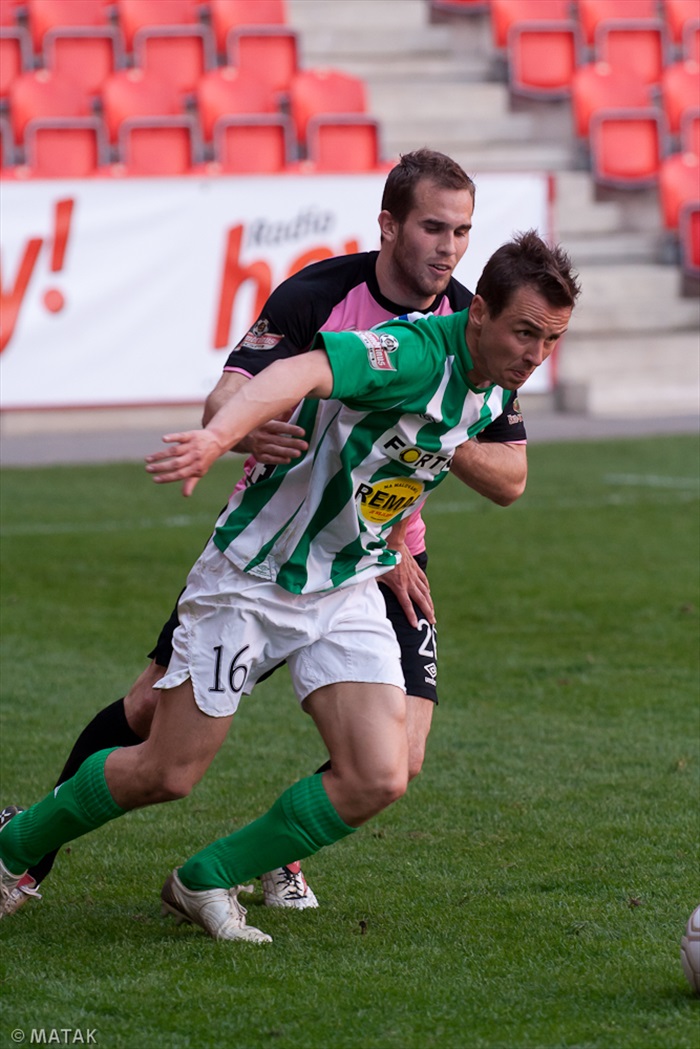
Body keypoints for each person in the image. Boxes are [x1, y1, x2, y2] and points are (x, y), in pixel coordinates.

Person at [0, 231, 581, 944]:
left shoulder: (495, 382)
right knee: (169, 769)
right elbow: (301, 371)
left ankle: (205, 878)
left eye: (550, 340)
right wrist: (219, 438)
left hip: (347, 583)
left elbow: (483, 476)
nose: (535, 354)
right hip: (252, 576)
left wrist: (403, 517)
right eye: (525, 332)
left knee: (380, 772)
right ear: (480, 313)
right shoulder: (415, 351)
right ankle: (12, 848)